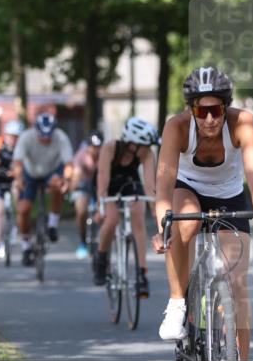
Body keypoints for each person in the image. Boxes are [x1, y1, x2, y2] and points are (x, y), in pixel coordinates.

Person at [152, 66, 253, 361]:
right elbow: (162, 186)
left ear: (226, 108)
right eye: (201, 110)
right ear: (191, 110)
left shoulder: (243, 123)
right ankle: (178, 302)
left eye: (216, 110)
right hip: (188, 189)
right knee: (186, 225)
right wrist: (162, 226)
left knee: (237, 282)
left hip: (230, 193)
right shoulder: (176, 127)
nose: (208, 119)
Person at [94, 117, 158, 297]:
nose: (147, 149)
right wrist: (101, 203)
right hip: (108, 186)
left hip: (130, 184)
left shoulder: (146, 154)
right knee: (112, 219)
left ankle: (141, 273)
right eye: (145, 145)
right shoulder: (110, 147)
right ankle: (101, 258)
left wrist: (154, 210)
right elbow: (103, 177)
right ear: (132, 143)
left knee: (138, 217)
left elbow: (149, 185)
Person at [11, 113, 74, 266]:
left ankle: (52, 224)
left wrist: (66, 180)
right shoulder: (26, 137)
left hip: (52, 171)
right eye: (42, 136)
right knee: (24, 209)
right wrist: (18, 179)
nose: (46, 140)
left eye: (49, 136)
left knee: (57, 185)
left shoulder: (61, 138)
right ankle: (26, 246)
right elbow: (18, 163)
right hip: (30, 173)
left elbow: (68, 165)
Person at [0, 119, 24, 258]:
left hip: (14, 181)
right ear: (6, 135)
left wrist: (17, 173)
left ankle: (19, 229)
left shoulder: (22, 148)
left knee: (18, 197)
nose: (13, 139)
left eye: (16, 137)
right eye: (11, 136)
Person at [70, 129, 103, 259]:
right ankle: (83, 241)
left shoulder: (106, 155)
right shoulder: (81, 155)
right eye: (93, 147)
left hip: (100, 185)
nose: (95, 150)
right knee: (81, 210)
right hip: (85, 184)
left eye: (98, 147)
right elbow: (77, 174)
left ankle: (105, 239)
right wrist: (75, 184)